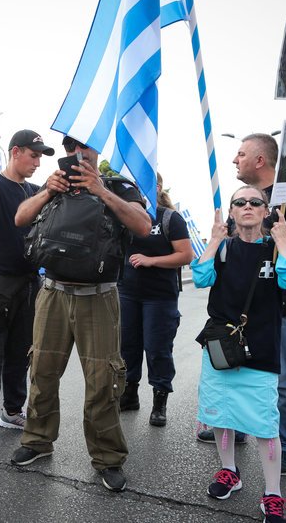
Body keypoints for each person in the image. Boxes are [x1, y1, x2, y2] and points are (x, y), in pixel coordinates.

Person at [9, 134, 150, 491]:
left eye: (82, 147)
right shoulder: (53, 185)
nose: (75, 154)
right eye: (69, 148)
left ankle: (107, 458)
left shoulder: (118, 187)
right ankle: (37, 440)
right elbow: (21, 218)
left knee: (103, 381)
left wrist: (101, 190)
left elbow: (143, 226)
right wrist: (47, 192)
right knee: (41, 370)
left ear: (96, 149)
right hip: (53, 293)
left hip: (98, 297)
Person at [193, 187, 286, 523]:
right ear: (231, 211)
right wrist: (214, 239)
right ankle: (229, 471)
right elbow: (200, 278)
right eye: (239, 202)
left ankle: (273, 494)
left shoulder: (274, 250)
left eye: (255, 202)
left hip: (261, 350)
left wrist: (282, 239)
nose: (247, 207)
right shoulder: (223, 249)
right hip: (220, 351)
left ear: (266, 210)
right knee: (221, 417)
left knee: (265, 426)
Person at [228, 133, 286, 475]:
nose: (235, 160)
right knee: (238, 368)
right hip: (245, 301)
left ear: (260, 160)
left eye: (240, 154)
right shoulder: (246, 198)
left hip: (282, 301)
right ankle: (234, 429)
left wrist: (269, 241)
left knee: (283, 376)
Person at [0, 129, 52, 445]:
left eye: (40, 157)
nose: (37, 163)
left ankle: (12, 411)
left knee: (20, 354)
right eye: (33, 155)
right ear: (16, 152)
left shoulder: (33, 190)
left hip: (29, 281)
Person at [119, 172, 193, 427]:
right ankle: (129, 395)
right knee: (126, 347)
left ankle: (159, 402)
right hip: (127, 293)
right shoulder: (125, 216)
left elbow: (186, 255)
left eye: (142, 184)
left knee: (158, 350)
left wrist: (151, 261)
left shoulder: (169, 218)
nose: (136, 190)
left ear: (157, 187)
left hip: (160, 298)